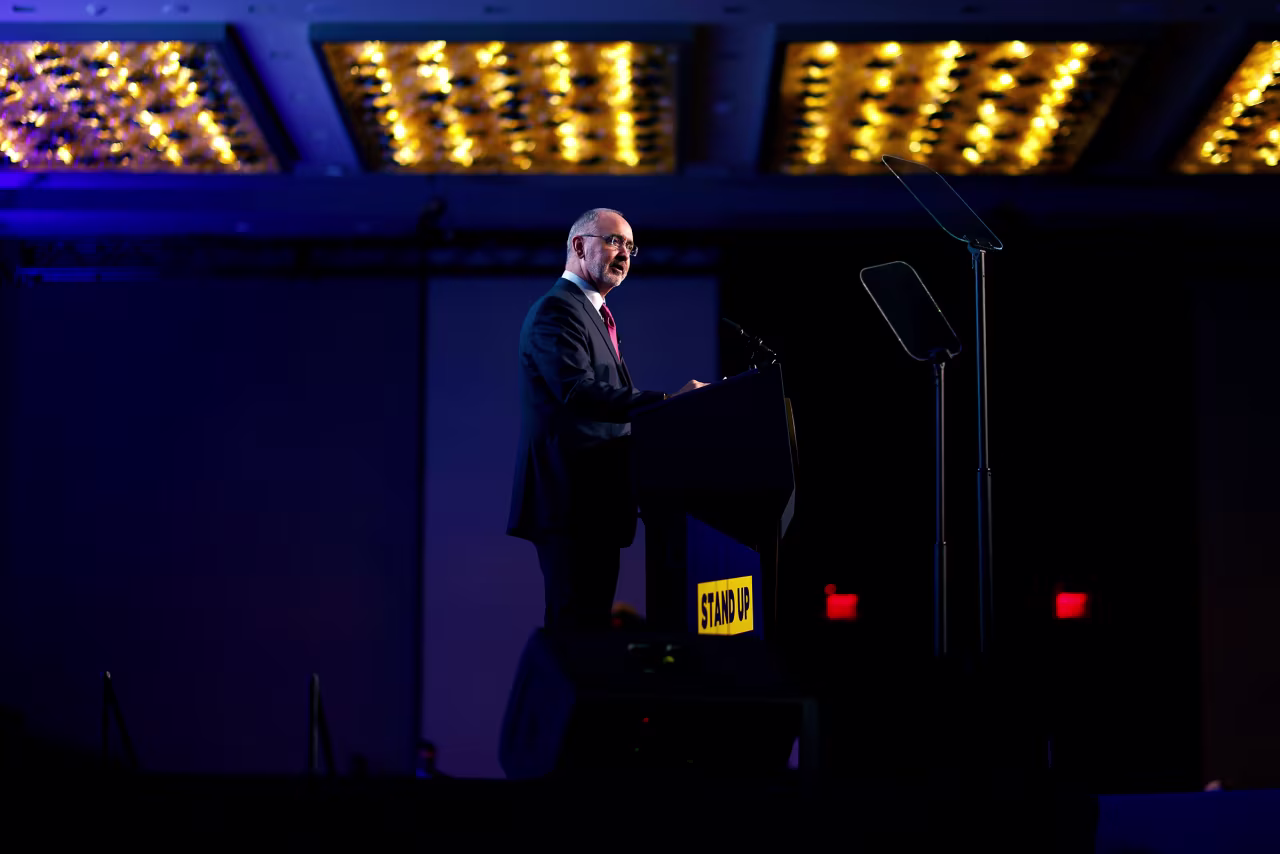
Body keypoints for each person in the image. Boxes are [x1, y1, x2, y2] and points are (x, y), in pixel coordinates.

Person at [506, 208, 706, 631]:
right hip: (572, 501)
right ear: (579, 246)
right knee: (575, 634)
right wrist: (669, 401)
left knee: (591, 631)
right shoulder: (556, 311)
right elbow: (577, 392)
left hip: (595, 503)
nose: (625, 254)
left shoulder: (591, 313)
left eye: (630, 246)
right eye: (614, 241)